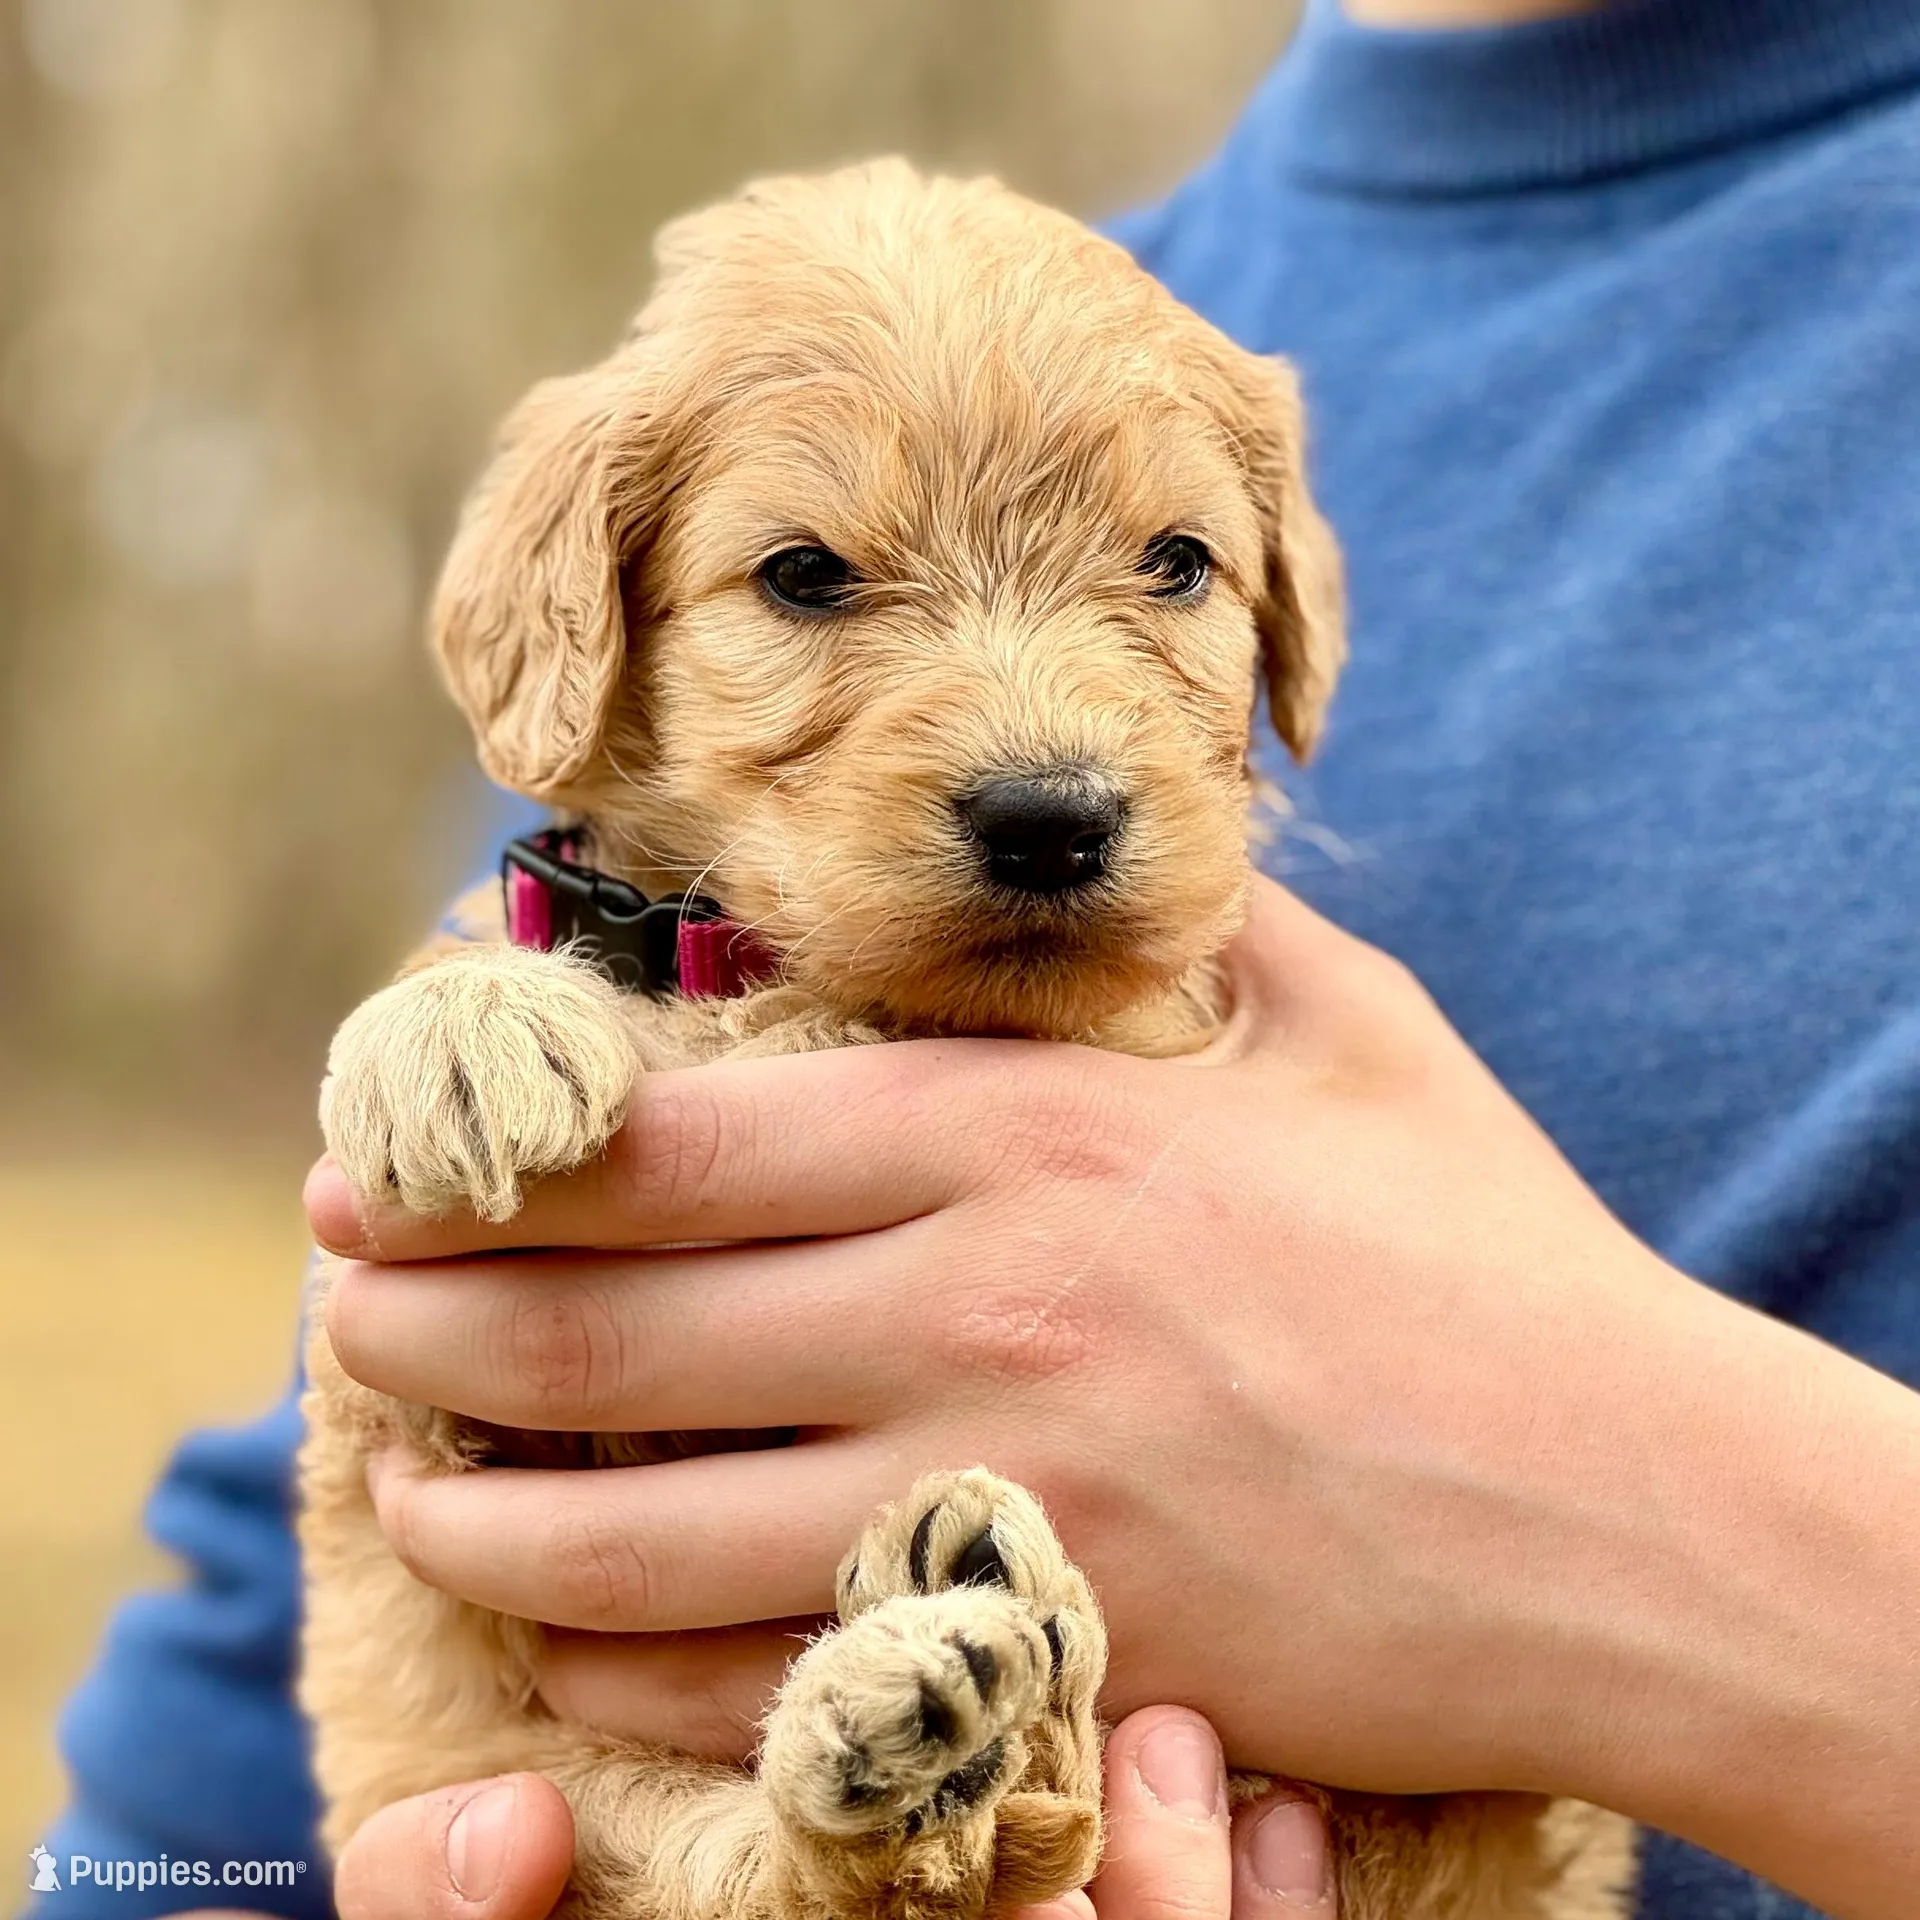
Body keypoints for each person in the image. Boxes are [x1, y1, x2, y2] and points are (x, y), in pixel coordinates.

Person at [36, 0, 1920, 1916]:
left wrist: (1611, 1528)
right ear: (594, 623)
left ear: (1287, 609)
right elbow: (214, 1785)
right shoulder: (576, 897)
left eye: (1169, 569)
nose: (1044, 755)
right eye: (809, 579)